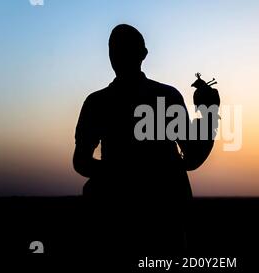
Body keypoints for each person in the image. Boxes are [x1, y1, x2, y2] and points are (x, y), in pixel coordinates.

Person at [72, 24, 219, 254]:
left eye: (121, 49)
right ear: (144, 54)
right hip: (153, 219)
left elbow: (81, 162)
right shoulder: (166, 97)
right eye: (116, 49)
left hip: (130, 220)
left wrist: (115, 175)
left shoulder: (97, 102)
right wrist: (210, 113)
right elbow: (192, 159)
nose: (118, 55)